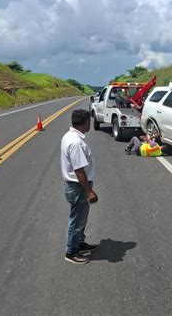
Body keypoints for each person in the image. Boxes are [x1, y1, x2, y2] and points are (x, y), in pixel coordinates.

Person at [60, 109, 99, 264]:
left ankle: (79, 243)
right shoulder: (76, 142)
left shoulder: (69, 135)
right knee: (76, 220)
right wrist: (89, 191)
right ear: (85, 123)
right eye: (89, 121)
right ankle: (71, 252)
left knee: (81, 218)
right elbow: (79, 170)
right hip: (78, 186)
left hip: (77, 185)